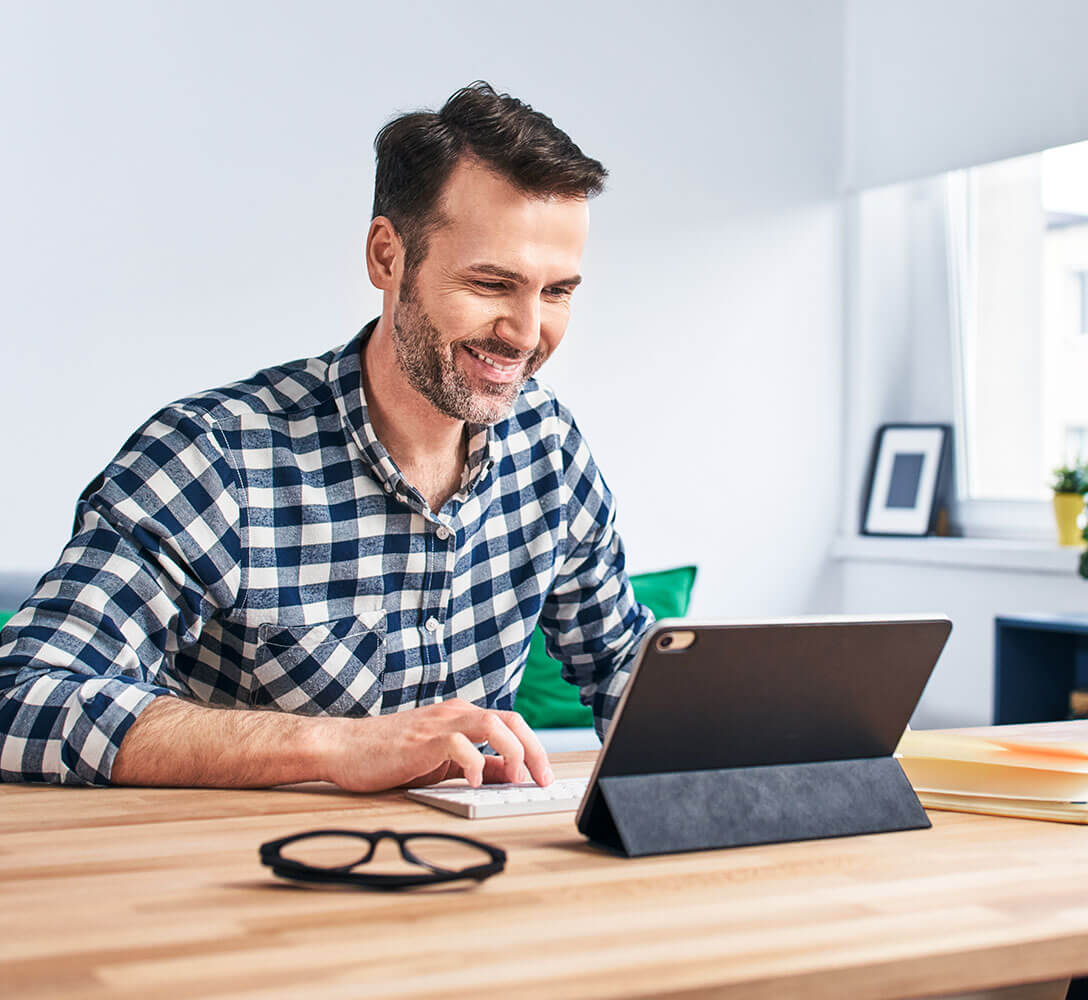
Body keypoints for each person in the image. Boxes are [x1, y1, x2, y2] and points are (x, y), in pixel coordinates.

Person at [0, 82, 653, 789]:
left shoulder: (547, 448)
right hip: (244, 884)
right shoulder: (214, 456)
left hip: (472, 877)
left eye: (557, 292)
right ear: (386, 257)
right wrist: (338, 747)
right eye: (493, 283)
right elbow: (22, 698)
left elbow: (624, 666)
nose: (528, 335)